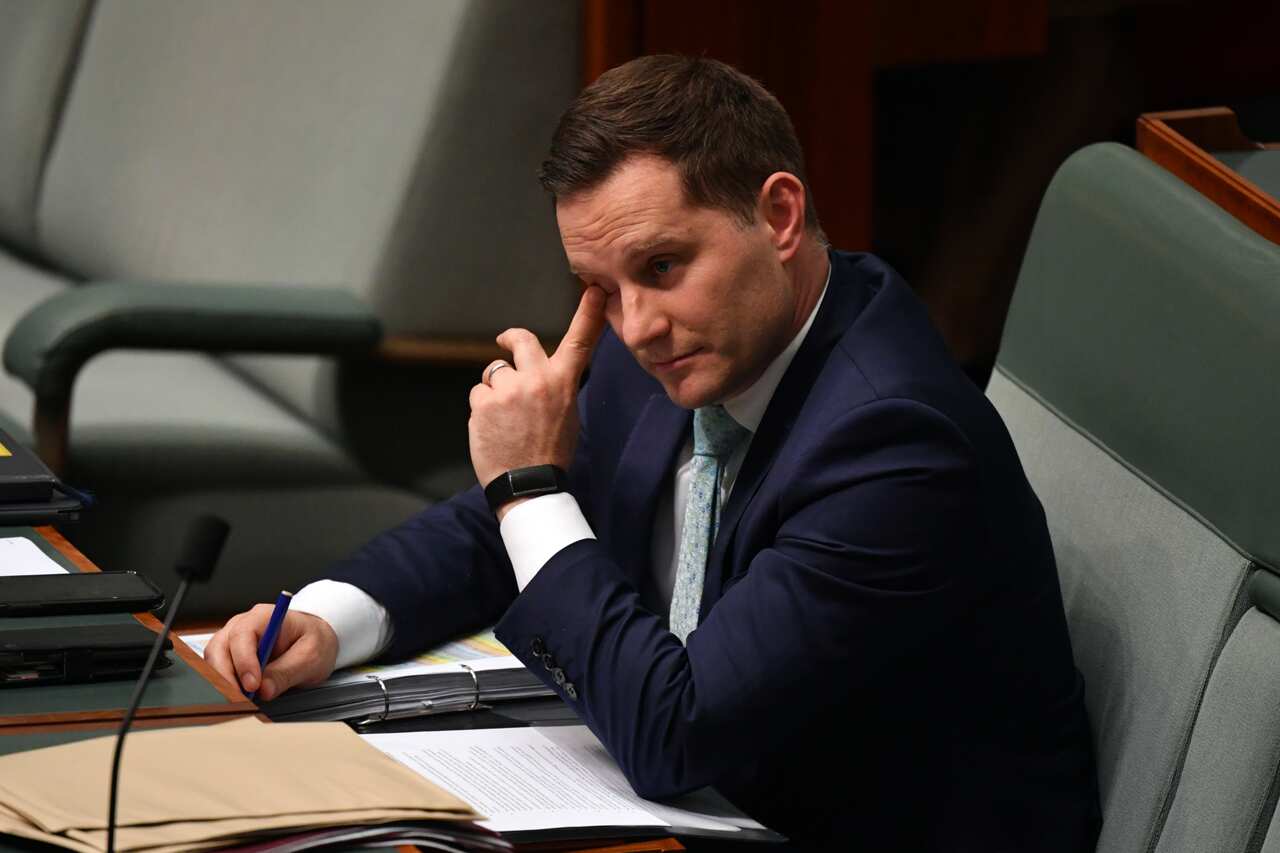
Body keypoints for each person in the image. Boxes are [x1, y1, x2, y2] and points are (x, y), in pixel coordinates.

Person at [208, 55, 1100, 851]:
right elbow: (508, 532)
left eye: (663, 267)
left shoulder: (895, 442)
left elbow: (674, 730)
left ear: (779, 215)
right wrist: (328, 620)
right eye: (600, 287)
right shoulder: (682, 349)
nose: (635, 326)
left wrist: (527, 483)